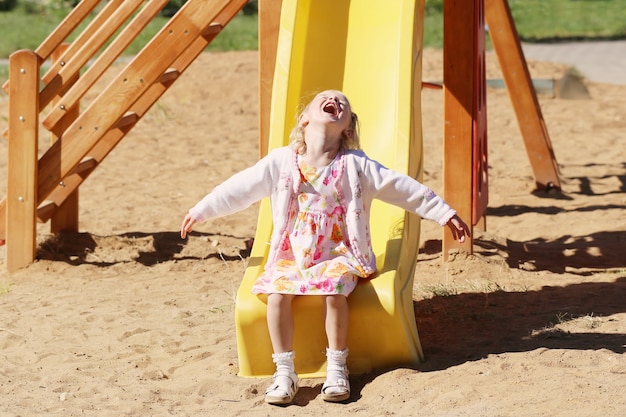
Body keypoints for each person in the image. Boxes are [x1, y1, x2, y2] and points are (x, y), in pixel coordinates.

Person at [180, 90, 470, 405]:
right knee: (276, 296)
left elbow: (400, 187)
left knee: (333, 293)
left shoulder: (355, 165)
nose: (335, 98)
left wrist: (443, 212)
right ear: (304, 119)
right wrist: (202, 210)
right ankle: (285, 370)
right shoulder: (281, 161)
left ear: (347, 129)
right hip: (293, 255)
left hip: (339, 254)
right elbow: (240, 187)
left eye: (343, 102)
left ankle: (336, 367)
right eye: (326, 98)